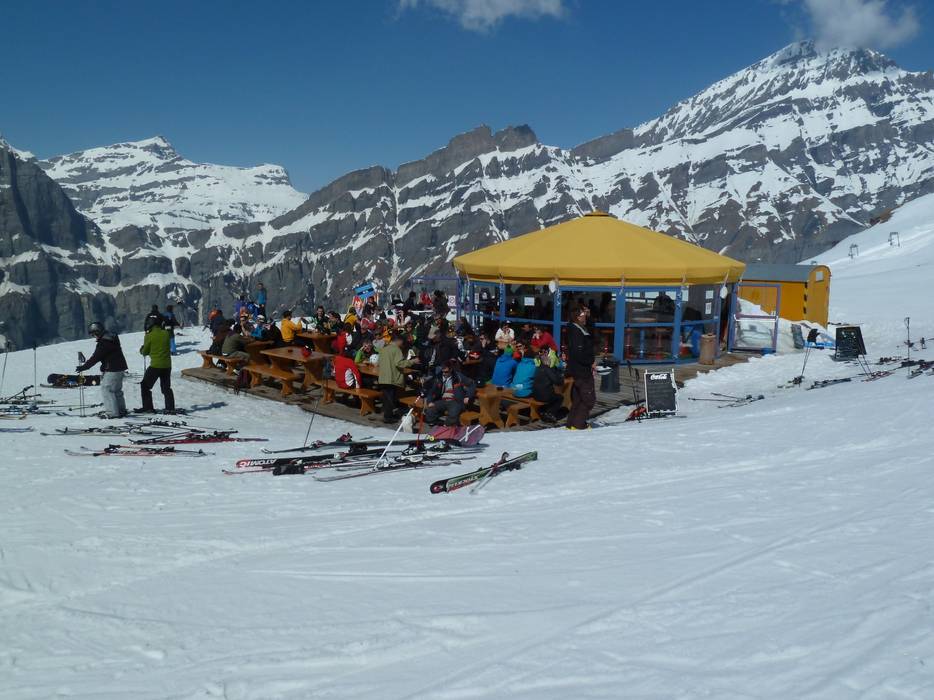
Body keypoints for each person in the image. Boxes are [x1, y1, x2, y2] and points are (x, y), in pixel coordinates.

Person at [76, 322, 129, 418]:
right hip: (119, 367)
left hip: (112, 368)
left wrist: (84, 367)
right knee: (116, 390)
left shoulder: (104, 342)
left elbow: (96, 357)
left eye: (93, 334)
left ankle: (112, 413)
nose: (94, 336)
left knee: (107, 389)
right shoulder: (110, 338)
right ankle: (121, 410)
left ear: (98, 332)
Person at [565, 306, 596, 429]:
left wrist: (589, 316)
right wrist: (590, 362)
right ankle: (579, 424)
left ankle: (571, 424)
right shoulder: (576, 332)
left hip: (578, 369)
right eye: (583, 315)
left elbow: (592, 332)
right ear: (578, 317)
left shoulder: (579, 328)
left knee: (578, 398)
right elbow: (578, 353)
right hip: (581, 371)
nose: (585, 317)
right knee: (589, 399)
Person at [138, 315, 175, 414]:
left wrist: (142, 349)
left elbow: (145, 352)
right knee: (166, 388)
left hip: (155, 365)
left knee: (145, 386)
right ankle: (170, 408)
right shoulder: (166, 333)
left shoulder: (149, 335)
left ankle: (148, 407)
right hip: (167, 365)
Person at [377, 333, 418, 423]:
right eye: (402, 342)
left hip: (383, 377)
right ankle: (388, 417)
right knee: (390, 399)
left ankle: (385, 414)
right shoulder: (396, 350)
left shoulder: (384, 349)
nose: (402, 344)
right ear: (399, 341)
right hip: (392, 378)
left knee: (386, 398)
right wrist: (412, 361)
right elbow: (399, 363)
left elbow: (379, 362)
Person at [423, 360, 475, 426]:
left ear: (451, 369)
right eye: (443, 371)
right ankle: (434, 425)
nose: (444, 374)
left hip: (456, 401)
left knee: (453, 413)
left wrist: (468, 396)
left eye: (446, 372)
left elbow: (472, 384)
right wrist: (429, 401)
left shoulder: (458, 376)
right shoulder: (438, 377)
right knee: (430, 410)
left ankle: (447, 426)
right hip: (442, 400)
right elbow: (431, 391)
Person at [533, 346, 565, 422]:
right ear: (547, 361)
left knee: (551, 395)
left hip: (535, 395)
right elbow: (558, 382)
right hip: (544, 396)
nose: (550, 362)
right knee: (560, 397)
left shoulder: (538, 368)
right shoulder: (547, 369)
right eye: (549, 361)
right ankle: (550, 413)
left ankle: (543, 410)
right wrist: (561, 377)